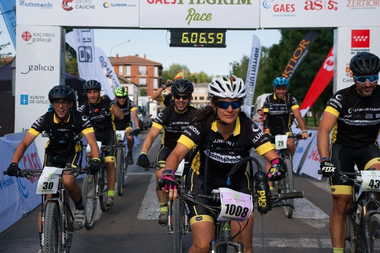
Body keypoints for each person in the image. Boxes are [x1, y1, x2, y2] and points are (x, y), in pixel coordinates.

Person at [158, 75, 286, 253]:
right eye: (224, 104)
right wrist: (169, 173)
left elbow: (272, 155)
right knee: (202, 245)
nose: (230, 109)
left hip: (237, 185)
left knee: (245, 248)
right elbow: (177, 153)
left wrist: (277, 165)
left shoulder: (248, 127)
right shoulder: (201, 124)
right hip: (202, 184)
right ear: (214, 104)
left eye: (236, 104)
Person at [5, 85, 100, 251]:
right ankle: (45, 242)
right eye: (57, 103)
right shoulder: (45, 119)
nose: (61, 106)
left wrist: (96, 159)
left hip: (72, 153)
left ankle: (79, 207)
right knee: (47, 197)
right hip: (53, 155)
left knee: (68, 179)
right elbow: (25, 143)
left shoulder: (80, 118)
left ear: (71, 104)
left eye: (65, 102)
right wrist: (14, 163)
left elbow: (92, 142)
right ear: (52, 104)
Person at [317, 52, 380, 253]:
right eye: (362, 79)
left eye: (373, 78)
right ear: (353, 77)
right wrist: (325, 160)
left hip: (368, 149)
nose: (368, 83)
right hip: (342, 151)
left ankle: (371, 214)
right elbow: (324, 130)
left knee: (378, 177)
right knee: (341, 203)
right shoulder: (342, 97)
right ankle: (338, 250)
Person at [136, 79, 197, 224]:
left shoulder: (196, 114)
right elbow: (151, 135)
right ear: (173, 97)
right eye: (178, 97)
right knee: (160, 175)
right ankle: (164, 208)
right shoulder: (165, 113)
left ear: (190, 98)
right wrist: (143, 153)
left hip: (190, 150)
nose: (181, 100)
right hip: (169, 149)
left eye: (185, 97)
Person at [78, 80, 124, 207]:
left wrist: (113, 106)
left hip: (108, 136)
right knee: (92, 161)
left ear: (99, 93)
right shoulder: (83, 108)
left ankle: (110, 194)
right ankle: (93, 181)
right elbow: (76, 123)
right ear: (86, 94)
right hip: (93, 139)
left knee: (109, 163)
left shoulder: (106, 103)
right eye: (89, 92)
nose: (92, 95)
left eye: (95, 92)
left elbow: (120, 116)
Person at [262, 76, 309, 154]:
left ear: (286, 89)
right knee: (270, 161)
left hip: (285, 130)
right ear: (274, 89)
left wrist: (304, 130)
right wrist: (266, 130)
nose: (281, 91)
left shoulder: (291, 99)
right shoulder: (268, 99)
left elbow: (297, 115)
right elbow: (265, 117)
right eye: (278, 88)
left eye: (283, 88)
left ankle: (289, 163)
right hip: (271, 131)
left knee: (290, 144)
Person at [113, 86, 140, 164]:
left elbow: (134, 116)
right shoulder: (112, 103)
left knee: (130, 137)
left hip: (126, 125)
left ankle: (129, 153)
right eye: (119, 97)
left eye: (124, 97)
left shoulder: (130, 103)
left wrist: (137, 127)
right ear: (116, 97)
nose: (122, 99)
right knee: (113, 141)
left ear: (126, 96)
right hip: (115, 125)